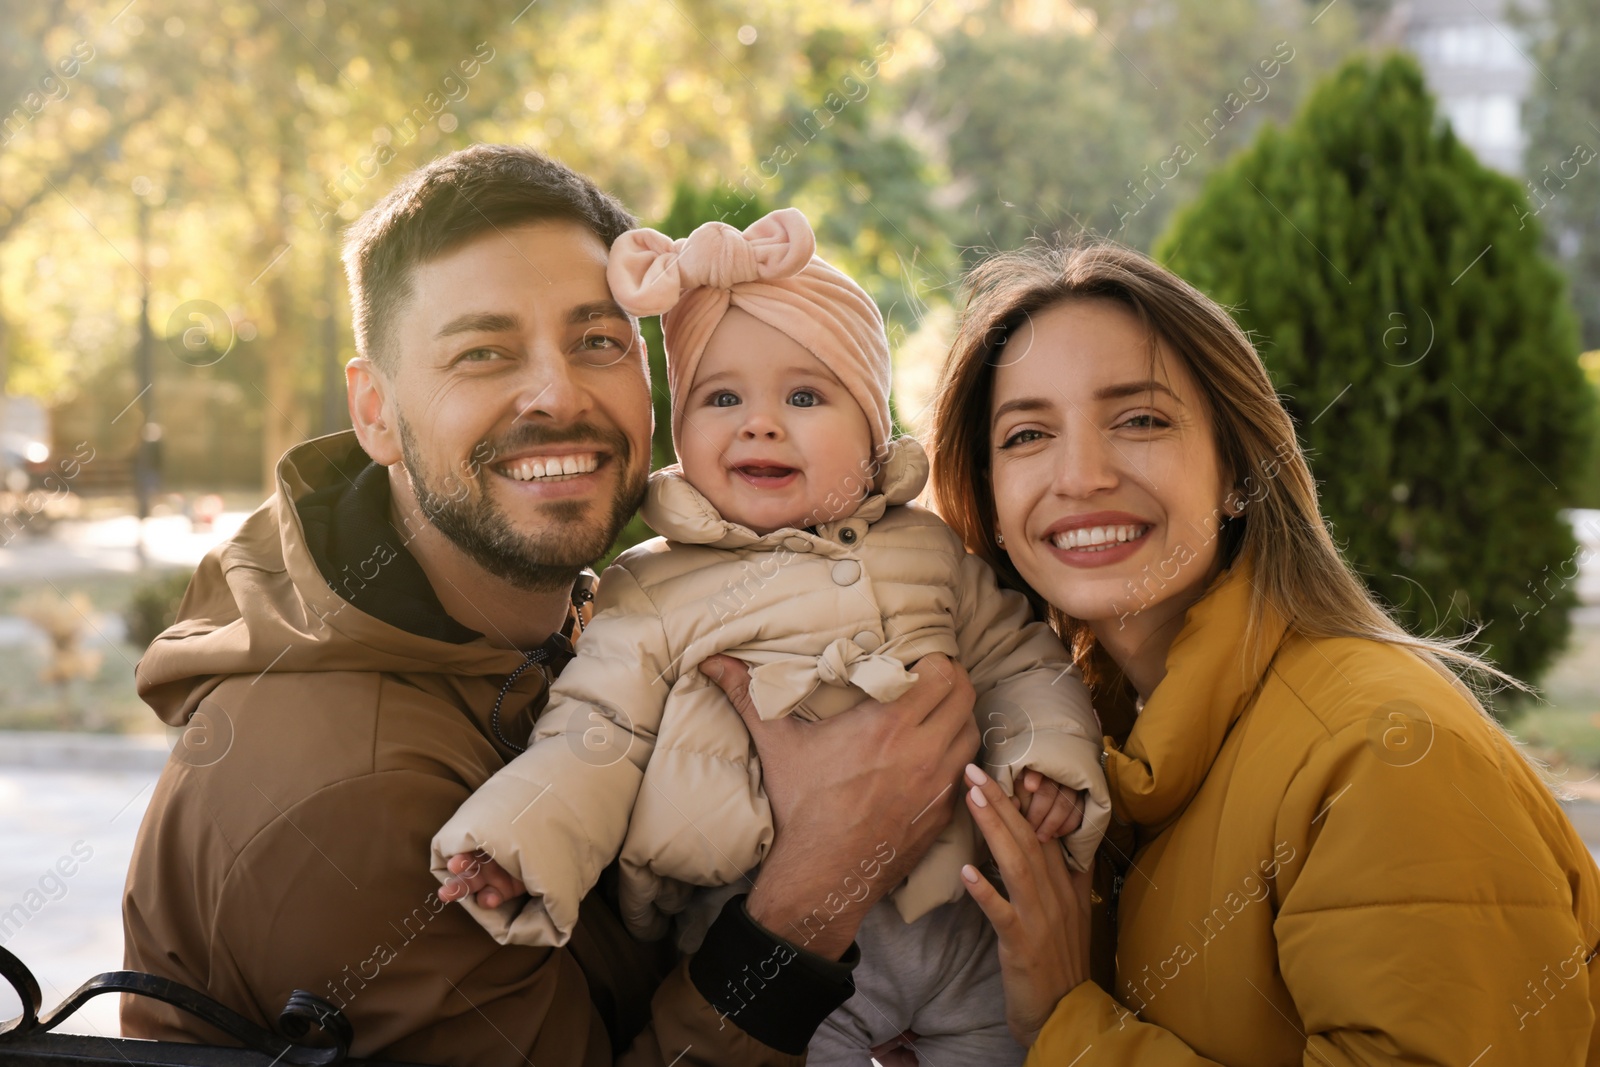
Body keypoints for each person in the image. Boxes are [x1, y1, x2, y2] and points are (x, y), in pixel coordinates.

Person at [119, 145, 984, 1067]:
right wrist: (814, 892)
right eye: (483, 352)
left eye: (597, 341)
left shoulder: (560, 622)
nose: (557, 393)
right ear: (375, 410)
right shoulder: (347, 797)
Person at [429, 207, 1110, 1066]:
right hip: (771, 933)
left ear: (872, 433)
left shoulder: (929, 549)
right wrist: (515, 845)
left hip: (963, 920)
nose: (759, 423)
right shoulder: (652, 586)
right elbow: (593, 738)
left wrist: (1044, 761)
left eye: (804, 396)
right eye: (722, 398)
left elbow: (1022, 663)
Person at [925, 241, 1600, 1063]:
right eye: (1028, 434)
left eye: (1139, 419)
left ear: (1241, 469)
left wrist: (1069, 1027)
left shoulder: (1385, 749)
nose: (1081, 475)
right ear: (990, 501)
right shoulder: (1065, 759)